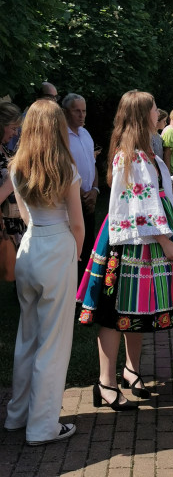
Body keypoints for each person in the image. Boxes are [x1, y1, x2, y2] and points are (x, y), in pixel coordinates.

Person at [77, 91, 173, 411]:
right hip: (130, 241)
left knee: (136, 310)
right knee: (114, 312)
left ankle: (130, 370)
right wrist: (165, 240)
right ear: (143, 115)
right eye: (155, 109)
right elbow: (137, 206)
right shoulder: (131, 157)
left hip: (145, 238)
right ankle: (105, 383)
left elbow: (159, 198)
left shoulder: (146, 155)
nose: (159, 113)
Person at [4, 100, 84, 445]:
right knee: (53, 342)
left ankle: (17, 415)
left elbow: (23, 216)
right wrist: (74, 260)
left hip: (30, 246)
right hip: (57, 248)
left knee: (28, 337)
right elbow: (78, 225)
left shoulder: (18, 164)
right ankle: (42, 426)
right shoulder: (65, 166)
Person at [62, 94, 100, 283]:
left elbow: (92, 165)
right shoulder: (61, 138)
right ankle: (72, 290)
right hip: (70, 203)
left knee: (88, 249)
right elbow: (61, 172)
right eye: (76, 110)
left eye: (84, 110)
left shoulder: (86, 134)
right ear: (65, 112)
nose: (81, 115)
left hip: (89, 200)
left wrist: (95, 190)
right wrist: (79, 194)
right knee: (72, 249)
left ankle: (84, 290)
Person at [0, 103, 23, 247]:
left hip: (16, 226)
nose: (15, 133)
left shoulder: (7, 152)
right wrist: (9, 186)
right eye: (13, 128)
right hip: (3, 230)